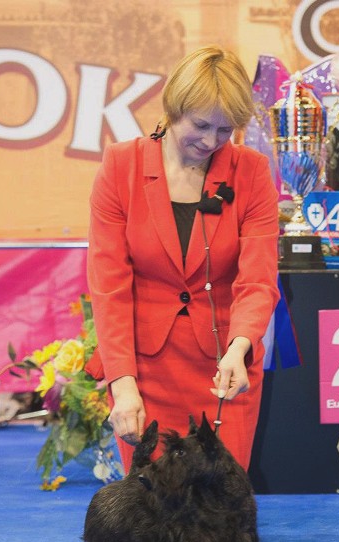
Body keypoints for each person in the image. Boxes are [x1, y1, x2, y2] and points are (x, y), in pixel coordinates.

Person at [85, 45, 280, 473]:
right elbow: (109, 287)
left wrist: (240, 347)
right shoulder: (121, 166)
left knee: (221, 506)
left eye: (225, 130)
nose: (211, 141)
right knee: (152, 506)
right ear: (174, 108)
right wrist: (123, 385)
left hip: (226, 369)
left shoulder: (252, 171)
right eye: (201, 125)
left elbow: (258, 280)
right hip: (145, 372)